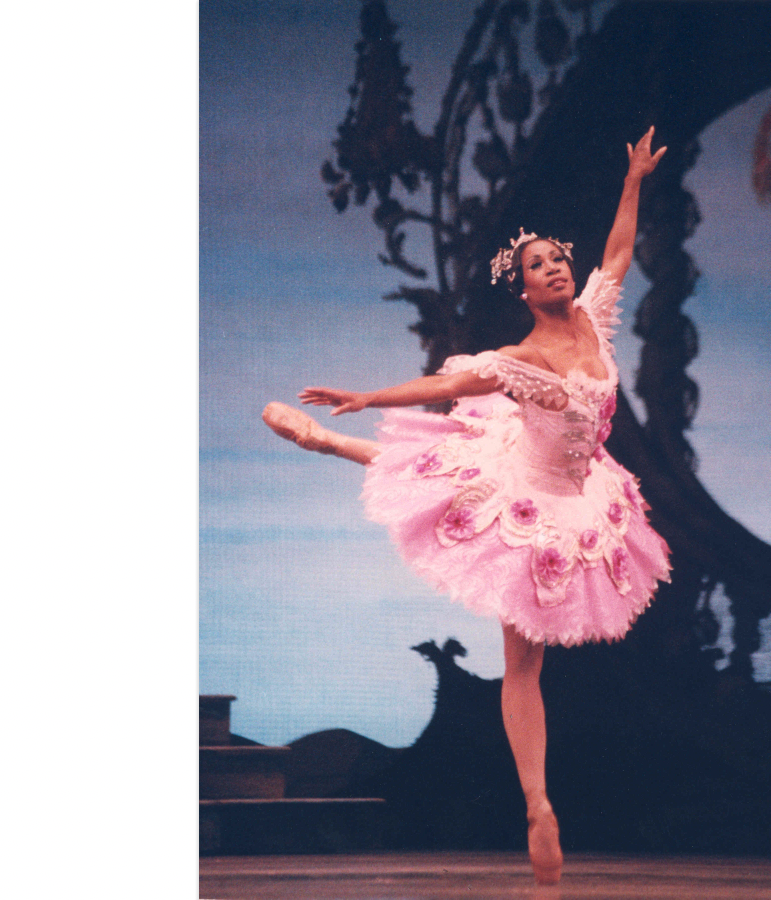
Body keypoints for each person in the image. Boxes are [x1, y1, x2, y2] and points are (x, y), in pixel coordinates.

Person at [262, 127, 671, 885]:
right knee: (518, 655)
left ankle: (322, 443)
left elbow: (617, 252)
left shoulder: (593, 317)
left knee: (443, 476)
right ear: (522, 289)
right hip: (529, 499)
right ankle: (536, 802)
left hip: (582, 495)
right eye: (535, 265)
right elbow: (447, 388)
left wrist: (633, 181)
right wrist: (367, 395)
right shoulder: (517, 360)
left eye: (555, 258)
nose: (552, 268)